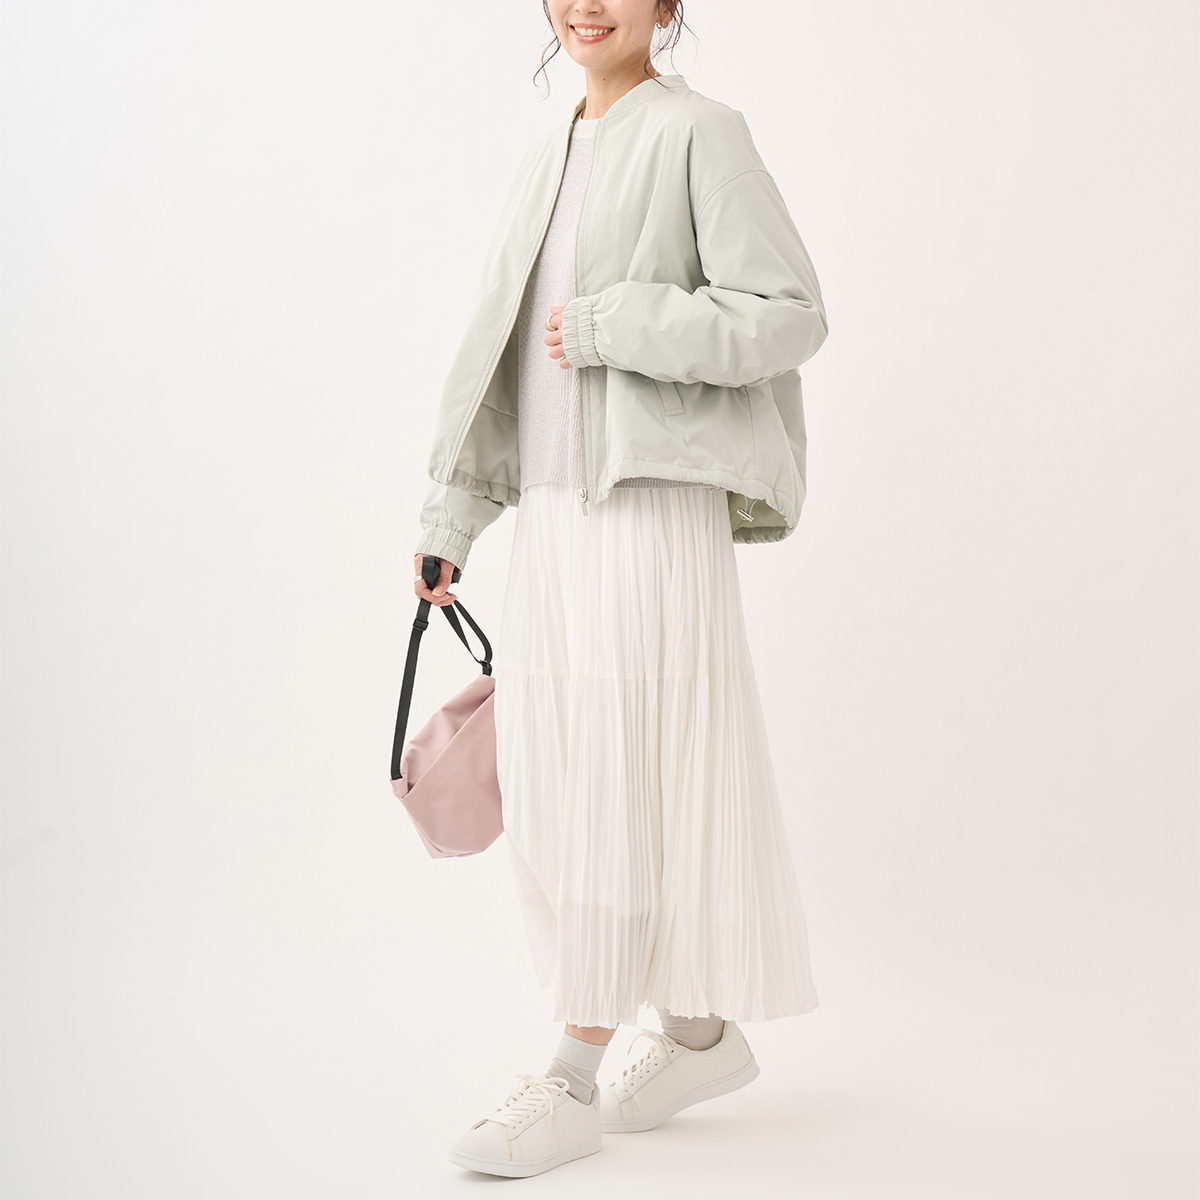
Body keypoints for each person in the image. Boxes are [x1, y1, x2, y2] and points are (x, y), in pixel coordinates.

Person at [412, 0, 829, 1179]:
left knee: (619, 777)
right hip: (551, 513)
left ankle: (569, 1076)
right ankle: (696, 1034)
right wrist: (454, 514)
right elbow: (500, 357)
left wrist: (618, 326)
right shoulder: (543, 156)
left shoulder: (701, 133)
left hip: (649, 501)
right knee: (560, 787)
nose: (587, 2)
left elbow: (789, 317)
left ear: (666, 5)